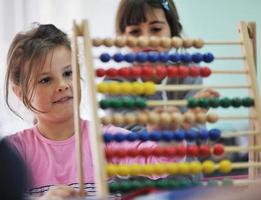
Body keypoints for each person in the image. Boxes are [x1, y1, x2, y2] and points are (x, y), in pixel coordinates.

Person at [4, 24, 188, 199]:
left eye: (68, 73)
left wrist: (166, 133)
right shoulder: (16, 150)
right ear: (20, 93)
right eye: (45, 80)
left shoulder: (104, 139)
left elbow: (160, 163)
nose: (62, 85)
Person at [108, 0, 220, 133]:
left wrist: (185, 124)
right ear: (122, 38)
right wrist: (182, 124)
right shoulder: (115, 84)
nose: (146, 39)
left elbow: (198, 145)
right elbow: (130, 145)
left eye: (156, 29)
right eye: (135, 31)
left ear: (172, 31)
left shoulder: (188, 71)